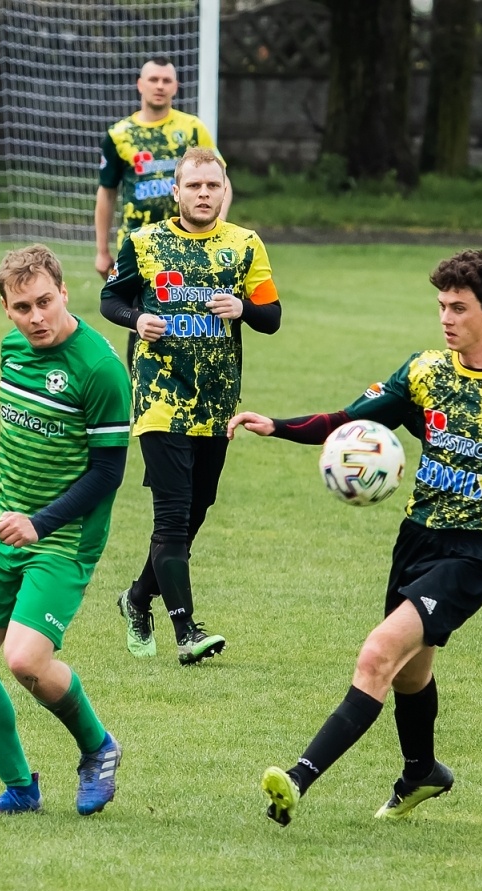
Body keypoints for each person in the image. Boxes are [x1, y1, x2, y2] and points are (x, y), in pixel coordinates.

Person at [229, 249, 482, 826]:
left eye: (459, 308)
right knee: (410, 672)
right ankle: (422, 772)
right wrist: (275, 426)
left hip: (477, 553)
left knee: (377, 653)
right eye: (441, 306)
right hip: (416, 540)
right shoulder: (426, 372)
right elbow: (350, 420)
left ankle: (297, 781)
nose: (447, 318)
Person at [0, 245, 131, 819]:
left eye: (45, 302)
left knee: (25, 660)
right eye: (22, 307)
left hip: (62, 537)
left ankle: (98, 747)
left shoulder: (99, 369)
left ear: (65, 293)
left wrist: (40, 522)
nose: (37, 317)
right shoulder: (11, 351)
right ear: (6, 310)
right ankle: (21, 790)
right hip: (3, 525)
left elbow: (109, 473)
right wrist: (16, 515)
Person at [100, 147, 281, 665]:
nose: (204, 194)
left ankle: (137, 599)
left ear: (224, 193)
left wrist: (244, 308)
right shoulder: (143, 241)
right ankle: (186, 632)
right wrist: (137, 320)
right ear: (175, 191)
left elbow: (272, 316)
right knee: (173, 518)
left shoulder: (245, 245)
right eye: (194, 186)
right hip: (159, 396)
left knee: (197, 510)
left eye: (213, 187)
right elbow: (110, 299)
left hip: (218, 401)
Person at [95, 56, 231, 356]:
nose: (159, 86)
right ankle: (144, 395)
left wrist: (217, 227)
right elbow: (107, 193)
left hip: (189, 245)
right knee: (143, 326)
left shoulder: (192, 129)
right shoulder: (120, 135)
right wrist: (102, 250)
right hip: (139, 247)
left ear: (176, 87)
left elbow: (222, 179)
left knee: (193, 322)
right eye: (153, 79)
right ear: (139, 85)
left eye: (166, 80)